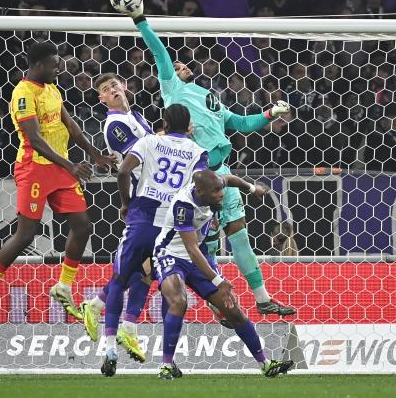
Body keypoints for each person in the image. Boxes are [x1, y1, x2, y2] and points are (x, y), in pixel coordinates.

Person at [120, 0, 295, 317]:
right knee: (203, 245)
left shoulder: (210, 98)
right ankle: (216, 305)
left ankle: (262, 298)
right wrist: (140, 19)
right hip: (195, 178)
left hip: (221, 173)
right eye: (175, 65)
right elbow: (159, 52)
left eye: (183, 63)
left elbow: (242, 123)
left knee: (239, 236)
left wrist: (271, 112)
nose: (179, 65)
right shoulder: (172, 88)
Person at [0, 42, 115, 323]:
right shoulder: (23, 94)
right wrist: (72, 165)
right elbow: (35, 140)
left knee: (83, 225)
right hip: (34, 169)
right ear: (39, 65)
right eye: (54, 65)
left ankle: (63, 285)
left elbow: (71, 125)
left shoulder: (52, 89)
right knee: (26, 233)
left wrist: (94, 154)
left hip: (61, 168)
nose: (58, 70)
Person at [92, 103, 209, 377]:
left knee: (120, 280)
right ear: (189, 125)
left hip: (142, 218)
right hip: (171, 228)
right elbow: (200, 187)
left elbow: (123, 172)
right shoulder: (197, 152)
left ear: (165, 123)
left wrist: (125, 203)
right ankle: (167, 361)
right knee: (172, 290)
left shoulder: (149, 141)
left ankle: (109, 348)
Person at [153, 169, 294, 379]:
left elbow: (230, 180)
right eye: (216, 191)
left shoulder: (215, 187)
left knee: (233, 310)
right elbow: (190, 248)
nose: (221, 194)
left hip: (196, 258)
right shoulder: (184, 205)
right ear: (200, 191)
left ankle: (265, 364)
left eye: (221, 189)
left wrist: (253, 188)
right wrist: (218, 280)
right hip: (171, 255)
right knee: (179, 302)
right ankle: (165, 365)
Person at [79, 72, 157, 365]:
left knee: (147, 270)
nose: (112, 89)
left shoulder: (135, 116)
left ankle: (100, 307)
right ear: (101, 99)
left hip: (156, 197)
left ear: (124, 86)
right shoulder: (114, 126)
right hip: (141, 200)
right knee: (133, 269)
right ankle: (119, 328)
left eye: (115, 84)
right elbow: (135, 162)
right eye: (105, 89)